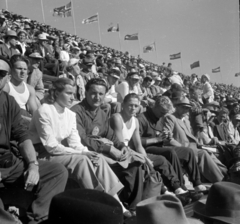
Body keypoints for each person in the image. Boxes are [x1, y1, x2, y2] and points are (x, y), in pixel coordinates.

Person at [28, 78, 130, 217]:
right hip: (42, 154)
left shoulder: (70, 114)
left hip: (58, 153)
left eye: (74, 94)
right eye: (69, 93)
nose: (73, 97)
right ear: (56, 93)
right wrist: (82, 154)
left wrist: (87, 152)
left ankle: (117, 204)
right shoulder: (44, 110)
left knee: (97, 158)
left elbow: (75, 142)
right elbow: (51, 147)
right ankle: (99, 203)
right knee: (81, 160)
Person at [0, 56, 68, 224]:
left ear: (7, 78)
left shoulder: (8, 101)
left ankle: (37, 220)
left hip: (9, 162)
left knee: (57, 171)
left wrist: (33, 164)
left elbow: (23, 136)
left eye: (1, 73)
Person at [71, 78, 144, 213]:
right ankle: (117, 209)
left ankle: (133, 208)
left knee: (135, 164)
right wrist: (109, 148)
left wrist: (122, 145)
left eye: (101, 94)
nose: (97, 97)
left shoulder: (102, 113)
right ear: (85, 93)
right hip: (87, 152)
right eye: (93, 93)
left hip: (105, 150)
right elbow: (82, 139)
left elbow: (111, 135)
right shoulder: (76, 111)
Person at [110, 93, 192, 196]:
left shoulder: (135, 120)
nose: (133, 108)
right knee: (149, 160)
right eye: (130, 105)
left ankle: (177, 188)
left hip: (133, 151)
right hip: (121, 151)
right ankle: (165, 191)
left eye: (136, 106)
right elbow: (121, 144)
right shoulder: (117, 118)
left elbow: (138, 145)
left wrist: (145, 157)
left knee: (161, 160)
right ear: (123, 104)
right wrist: (144, 157)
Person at [137, 95, 207, 193]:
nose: (163, 115)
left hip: (160, 146)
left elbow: (163, 137)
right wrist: (156, 139)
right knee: (170, 152)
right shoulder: (142, 118)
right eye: (162, 112)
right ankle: (180, 186)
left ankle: (197, 184)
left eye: (165, 113)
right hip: (146, 148)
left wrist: (168, 136)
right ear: (155, 107)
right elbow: (136, 141)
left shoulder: (161, 118)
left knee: (188, 151)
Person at [162, 96, 228, 183]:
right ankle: (220, 182)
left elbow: (191, 137)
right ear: (176, 107)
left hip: (192, 147)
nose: (186, 110)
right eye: (184, 107)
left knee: (212, 154)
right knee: (203, 154)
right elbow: (167, 138)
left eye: (188, 108)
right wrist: (182, 147)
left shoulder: (186, 120)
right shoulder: (170, 118)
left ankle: (227, 176)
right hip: (181, 148)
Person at [3, 54, 38, 124]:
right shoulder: (6, 87)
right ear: (11, 70)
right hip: (9, 121)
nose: (23, 72)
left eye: (25, 69)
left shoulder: (30, 89)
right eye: (19, 69)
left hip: (24, 123)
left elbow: (34, 112)